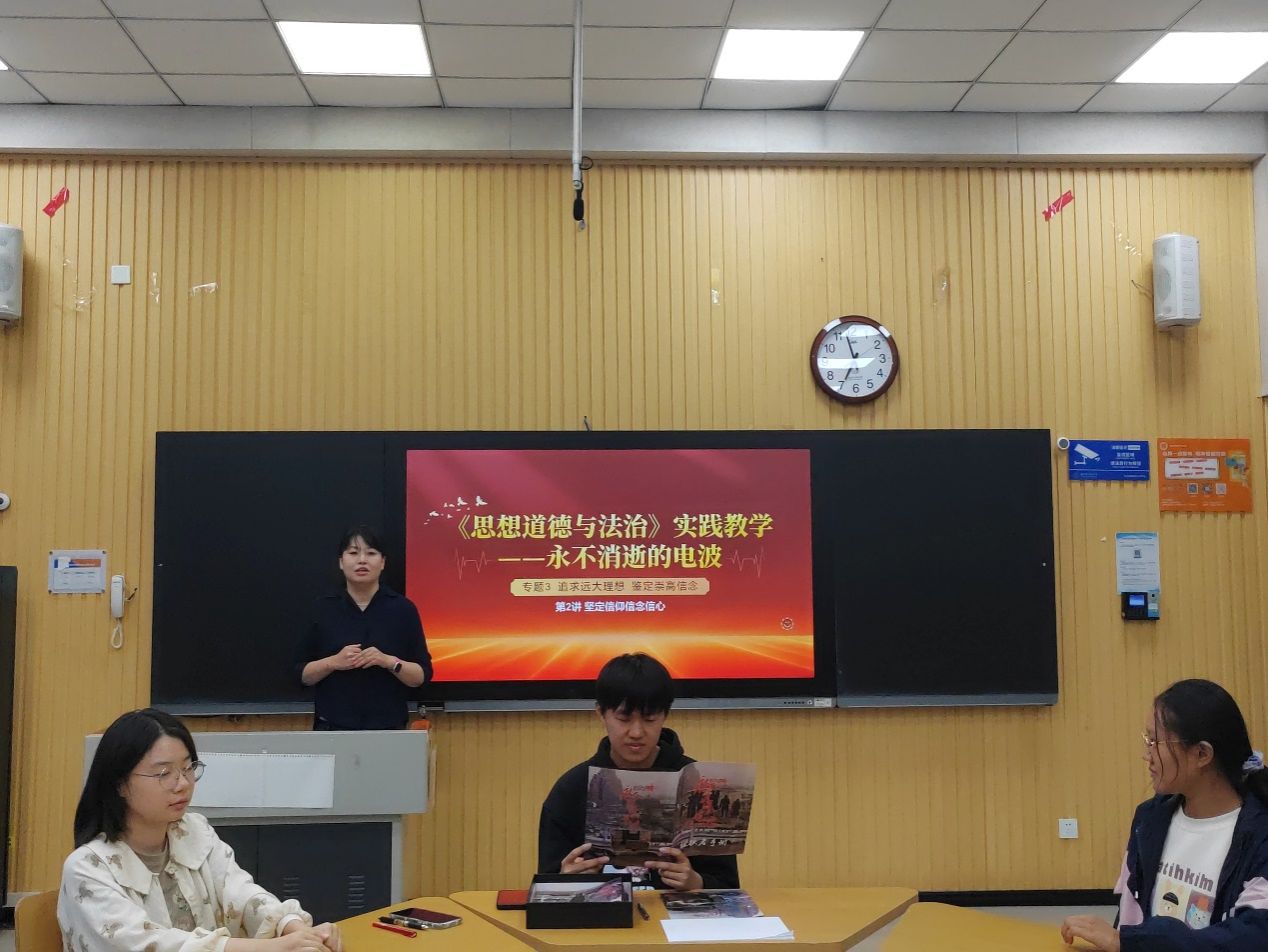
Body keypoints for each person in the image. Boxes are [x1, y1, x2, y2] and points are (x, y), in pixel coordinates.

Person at [59, 709, 342, 952]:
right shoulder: (87, 868)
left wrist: (294, 928)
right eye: (163, 773)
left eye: (187, 768)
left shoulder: (193, 831)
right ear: (120, 784)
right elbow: (149, 944)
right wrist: (271, 947)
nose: (182, 784)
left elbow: (240, 893)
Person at [1061, 679, 1268, 951]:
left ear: (1202, 754)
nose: (1146, 755)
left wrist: (1131, 941)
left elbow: (1253, 938)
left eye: (1154, 741)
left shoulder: (1259, 835)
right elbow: (1131, 919)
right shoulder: (1149, 820)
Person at [537, 652, 740, 890]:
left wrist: (696, 882)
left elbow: (729, 887)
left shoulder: (700, 785)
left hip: (677, 912)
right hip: (603, 912)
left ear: (665, 715)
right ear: (601, 714)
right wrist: (565, 880)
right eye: (623, 718)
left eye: (649, 719)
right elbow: (547, 884)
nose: (636, 732)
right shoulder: (572, 788)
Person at [295, 526, 433, 730]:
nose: (362, 560)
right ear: (341, 562)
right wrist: (333, 662)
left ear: (382, 562)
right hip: (332, 728)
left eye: (371, 553)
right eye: (353, 553)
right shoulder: (321, 608)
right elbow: (300, 674)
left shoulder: (403, 609)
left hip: (388, 728)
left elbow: (421, 676)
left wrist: (388, 661)